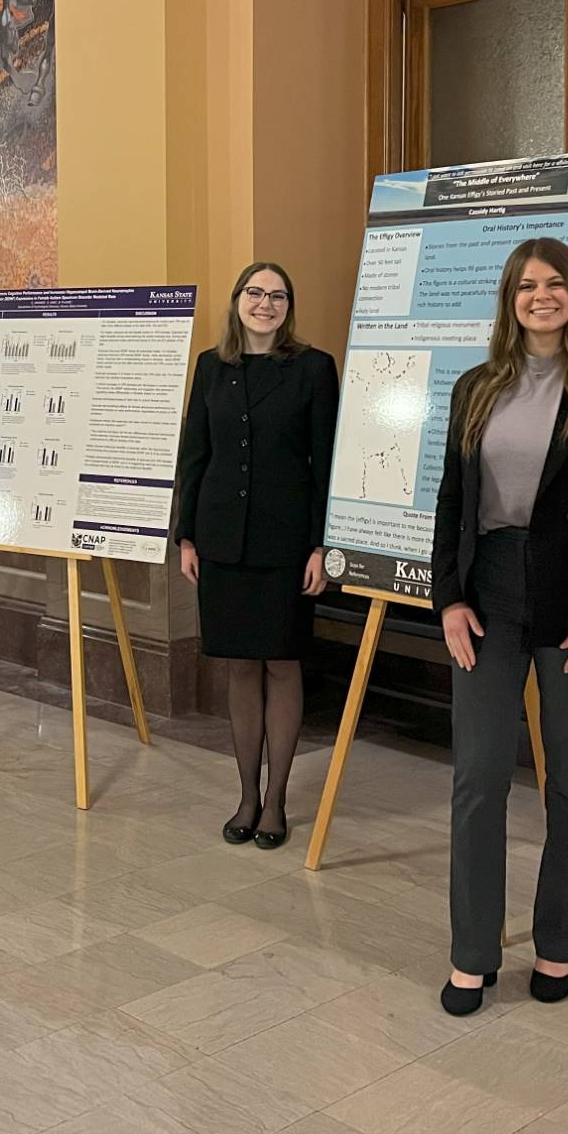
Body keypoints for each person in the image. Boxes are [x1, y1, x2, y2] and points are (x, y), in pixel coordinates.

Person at [431, 238, 568, 1015]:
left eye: (555, 284)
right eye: (527, 286)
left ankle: (558, 947)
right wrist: (448, 599)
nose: (541, 297)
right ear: (509, 299)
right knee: (478, 779)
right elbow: (452, 502)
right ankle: (471, 955)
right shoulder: (476, 386)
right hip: (488, 592)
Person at [175, 262, 340, 849]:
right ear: (237, 300)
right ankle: (245, 794)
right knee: (240, 665)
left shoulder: (313, 369)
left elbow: (325, 463)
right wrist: (186, 536)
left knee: (283, 663)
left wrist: (323, 544)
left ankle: (276, 801)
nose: (264, 303)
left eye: (277, 295)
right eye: (254, 292)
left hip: (287, 545)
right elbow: (195, 454)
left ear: (288, 307)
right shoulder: (211, 367)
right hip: (221, 541)